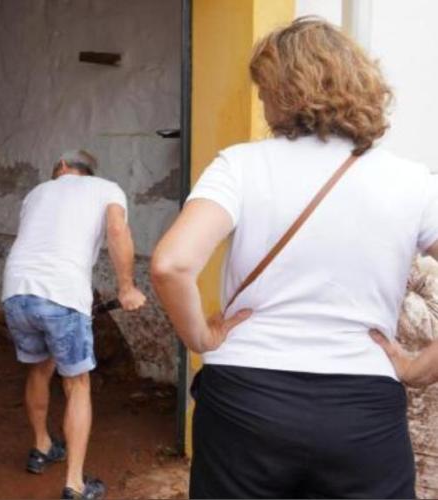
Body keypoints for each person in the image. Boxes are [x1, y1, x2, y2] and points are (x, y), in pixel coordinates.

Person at [151, 17, 438, 499]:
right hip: (362, 408)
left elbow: (171, 264)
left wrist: (200, 336)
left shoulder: (239, 165)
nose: (262, 102)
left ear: (284, 91)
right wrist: (421, 366)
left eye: (263, 89)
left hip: (245, 400)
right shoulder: (413, 181)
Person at [2, 149, 146, 500]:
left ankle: (41, 447)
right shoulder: (107, 188)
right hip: (63, 294)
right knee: (77, 384)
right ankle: (75, 485)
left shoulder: (37, 193)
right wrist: (126, 287)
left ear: (64, 167)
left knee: (39, 369)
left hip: (16, 291)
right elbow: (117, 229)